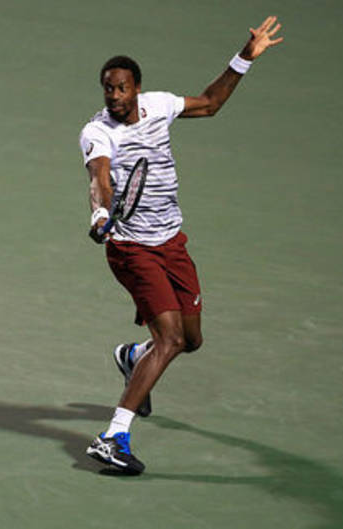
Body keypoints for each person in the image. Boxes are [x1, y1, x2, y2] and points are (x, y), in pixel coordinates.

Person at [80, 16, 283, 475]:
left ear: (137, 88)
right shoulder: (98, 133)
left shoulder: (159, 105)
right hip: (132, 249)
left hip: (172, 241)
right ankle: (113, 437)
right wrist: (99, 214)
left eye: (121, 88)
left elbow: (210, 104)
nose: (114, 96)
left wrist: (245, 57)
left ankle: (133, 357)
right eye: (108, 89)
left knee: (190, 340)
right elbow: (100, 180)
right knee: (169, 339)